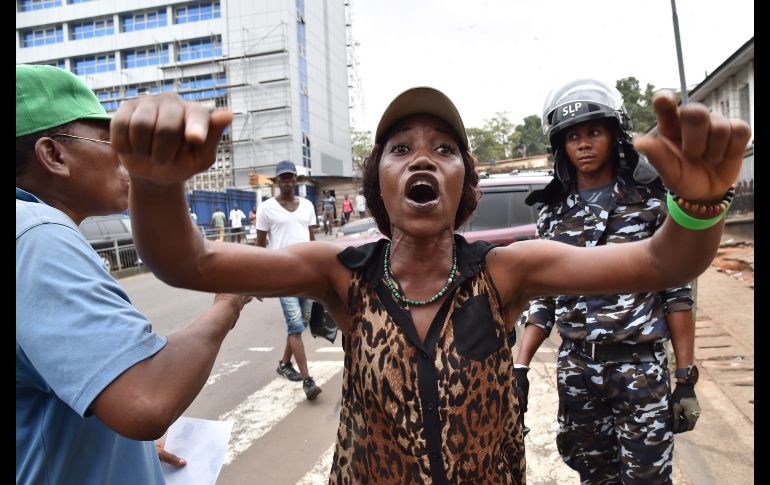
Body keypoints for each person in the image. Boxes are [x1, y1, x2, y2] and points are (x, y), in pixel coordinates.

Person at [116, 85, 748, 484]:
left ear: (464, 183)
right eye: (400, 148)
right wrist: (154, 183)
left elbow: (660, 264)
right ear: (378, 185)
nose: (423, 156)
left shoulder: (508, 271)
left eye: (445, 148)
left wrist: (699, 204)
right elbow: (187, 264)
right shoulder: (339, 271)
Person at [15, 64, 252, 484]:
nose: (124, 156)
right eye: (109, 141)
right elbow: (145, 399)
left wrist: (125, 445)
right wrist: (228, 304)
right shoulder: (37, 235)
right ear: (53, 155)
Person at [514, 79, 699, 484]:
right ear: (561, 146)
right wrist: (520, 364)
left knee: (647, 479)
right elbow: (543, 300)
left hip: (639, 372)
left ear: (614, 135)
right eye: (573, 137)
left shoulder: (652, 200)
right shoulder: (552, 214)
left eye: (594, 132)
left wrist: (685, 378)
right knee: (593, 477)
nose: (583, 144)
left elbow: (677, 293)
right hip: (578, 370)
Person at [255, 160, 322, 400]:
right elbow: (260, 248)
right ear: (276, 181)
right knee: (295, 325)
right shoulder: (266, 209)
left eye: (290, 176)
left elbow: (312, 241)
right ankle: (308, 380)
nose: (286, 180)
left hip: (307, 276)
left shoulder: (307, 206)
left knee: (300, 324)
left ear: (296, 179)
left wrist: (320, 273)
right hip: (281, 276)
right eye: (282, 177)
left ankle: (284, 363)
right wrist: (258, 281)